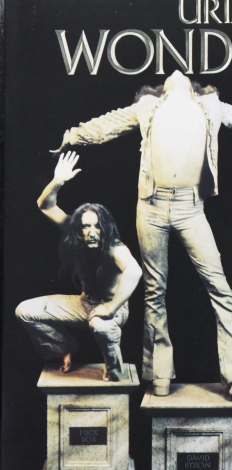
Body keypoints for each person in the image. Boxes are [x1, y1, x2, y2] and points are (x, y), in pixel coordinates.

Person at [51, 70, 232, 399]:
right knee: (154, 289)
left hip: (190, 207)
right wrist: (74, 135)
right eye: (167, 79)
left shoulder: (210, 106)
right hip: (151, 205)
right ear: (159, 90)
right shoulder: (147, 106)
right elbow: (109, 123)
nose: (175, 74)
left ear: (196, 88)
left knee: (218, 285)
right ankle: (159, 375)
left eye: (183, 75)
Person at [15, 152, 142, 381]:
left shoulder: (115, 248)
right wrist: (58, 181)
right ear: (78, 229)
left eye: (97, 226)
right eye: (85, 227)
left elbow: (134, 271)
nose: (92, 232)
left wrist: (111, 308)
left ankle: (113, 368)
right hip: (84, 304)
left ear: (105, 228)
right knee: (25, 311)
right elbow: (45, 206)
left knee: (101, 325)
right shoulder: (74, 233)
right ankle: (64, 348)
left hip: (112, 310)